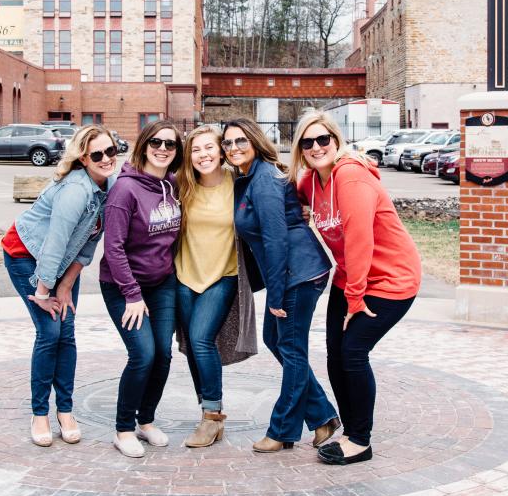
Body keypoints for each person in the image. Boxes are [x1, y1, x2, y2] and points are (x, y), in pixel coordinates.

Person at [290, 112, 422, 466]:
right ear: (300, 149)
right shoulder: (311, 182)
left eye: (323, 140)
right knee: (335, 354)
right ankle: (350, 432)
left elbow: (360, 240)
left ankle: (360, 441)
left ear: (336, 140)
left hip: (391, 278)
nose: (317, 147)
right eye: (308, 142)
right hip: (350, 277)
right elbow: (291, 192)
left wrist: (355, 299)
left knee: (352, 353)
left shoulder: (348, 176)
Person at [221, 117, 339, 454]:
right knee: (277, 340)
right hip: (291, 273)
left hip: (298, 274)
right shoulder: (249, 177)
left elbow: (275, 240)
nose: (233, 148)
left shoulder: (265, 180)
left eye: (240, 141)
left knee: (291, 348)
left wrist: (275, 294)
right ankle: (322, 417)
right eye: (227, 143)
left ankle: (283, 429)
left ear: (255, 141)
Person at [2, 125, 119, 448]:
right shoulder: (75, 191)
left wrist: (66, 284)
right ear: (83, 158)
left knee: (66, 332)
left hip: (61, 264)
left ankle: (65, 411)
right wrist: (43, 292)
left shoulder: (109, 187)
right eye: (97, 154)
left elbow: (88, 244)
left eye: (111, 150)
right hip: (26, 254)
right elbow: (54, 244)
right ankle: (40, 413)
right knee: (50, 332)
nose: (106, 158)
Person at [100, 120, 184, 458]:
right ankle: (123, 430)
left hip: (161, 283)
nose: (163, 149)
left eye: (171, 144)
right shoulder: (125, 190)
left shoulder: (173, 184)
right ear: (144, 145)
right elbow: (114, 247)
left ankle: (145, 421)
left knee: (163, 355)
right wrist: (132, 295)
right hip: (123, 286)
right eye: (157, 142)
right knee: (143, 355)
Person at [174, 125, 258, 448]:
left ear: (221, 151)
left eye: (209, 148)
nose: (203, 155)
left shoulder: (237, 185)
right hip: (184, 276)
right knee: (192, 348)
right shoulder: (182, 185)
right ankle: (207, 409)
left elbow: (273, 188)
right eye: (196, 150)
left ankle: (212, 417)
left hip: (223, 276)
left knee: (200, 337)